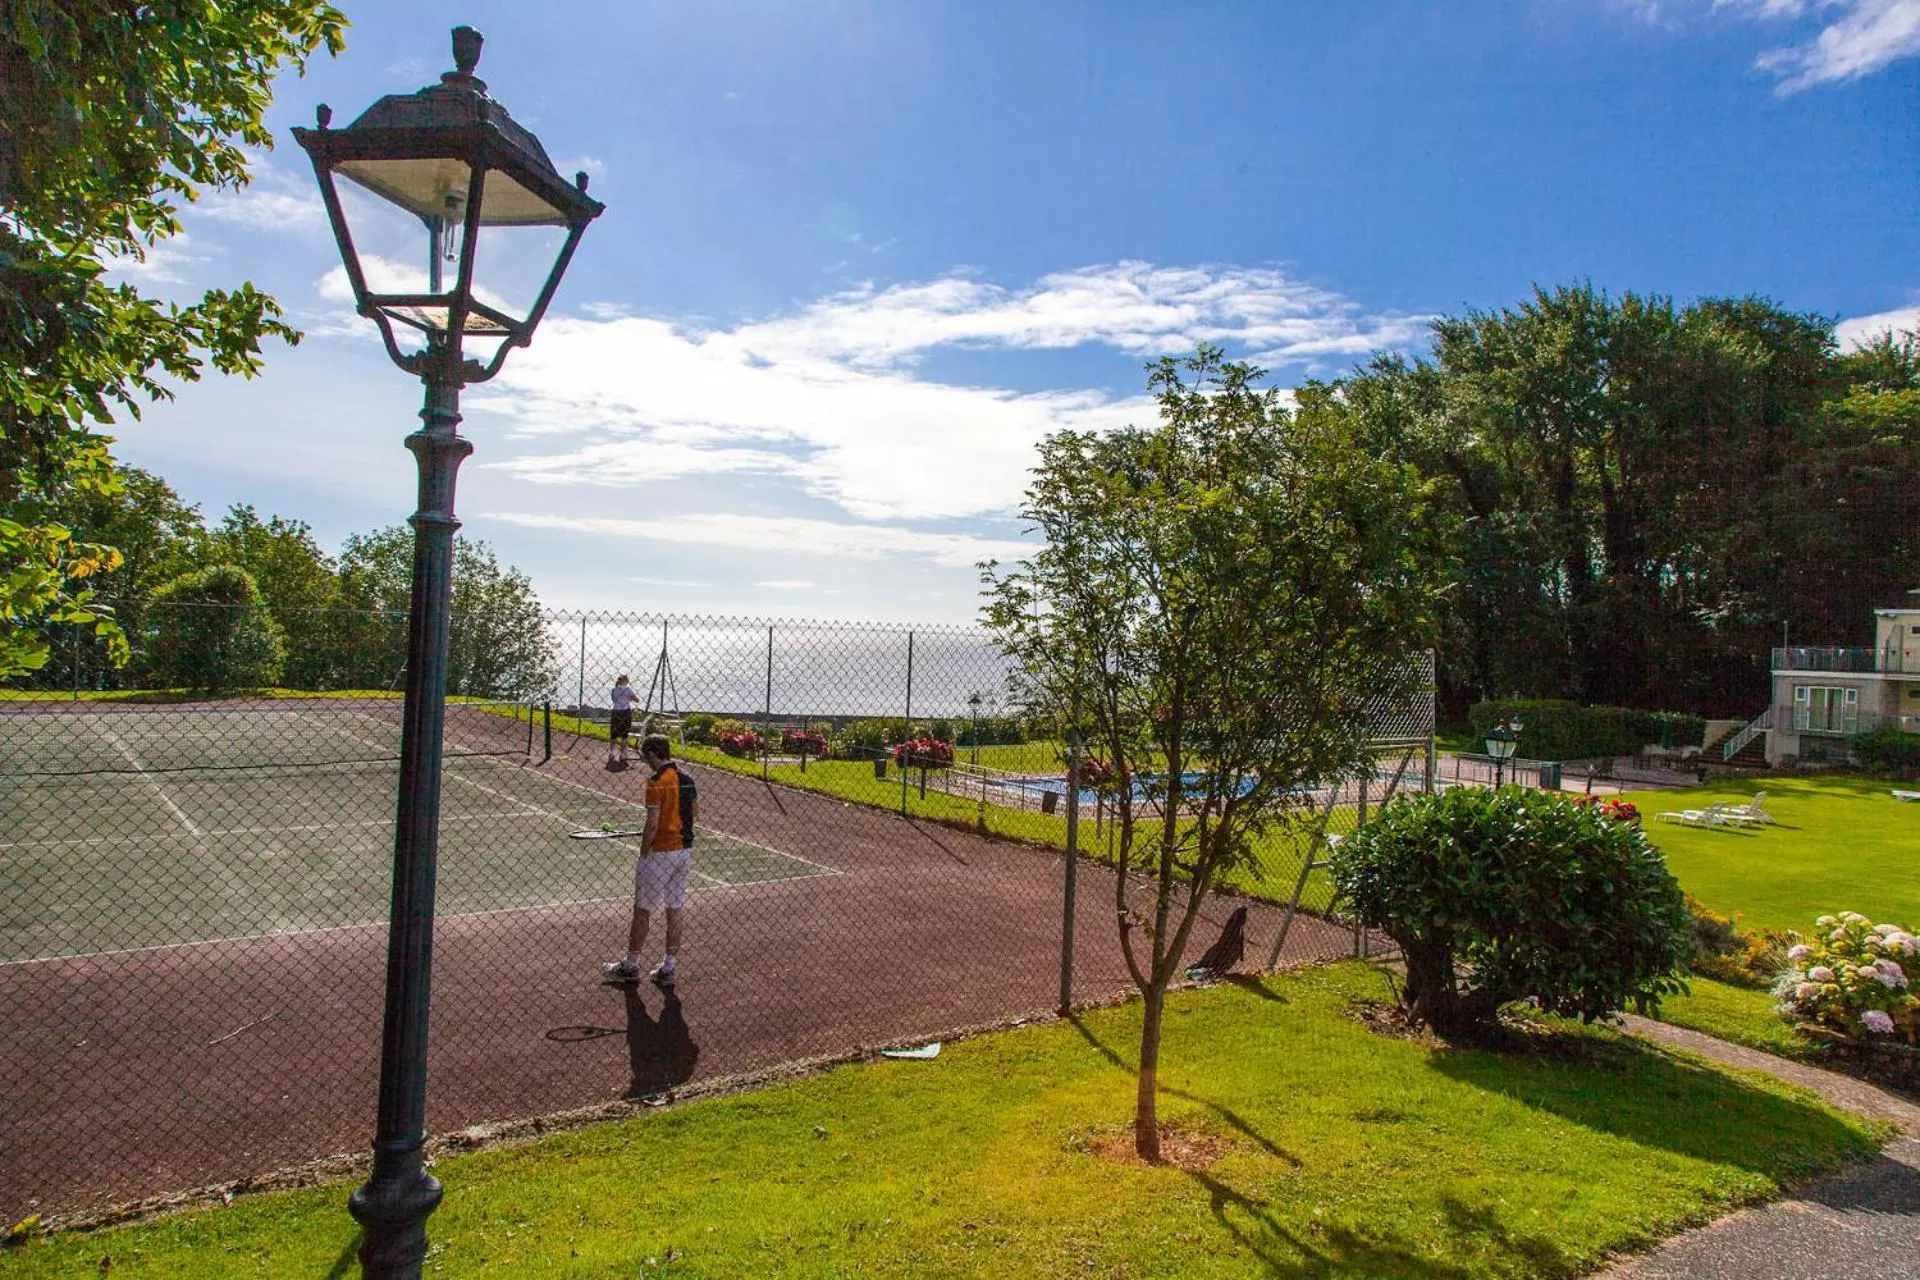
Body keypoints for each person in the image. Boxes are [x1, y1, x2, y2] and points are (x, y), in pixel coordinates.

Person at [602, 734, 696, 989]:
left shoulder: (655, 782)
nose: (644, 760)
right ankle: (669, 967)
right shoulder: (688, 778)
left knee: (642, 910)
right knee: (674, 909)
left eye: (645, 755)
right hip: (684, 851)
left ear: (654, 754)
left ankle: (630, 965)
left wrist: (644, 852)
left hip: (659, 853)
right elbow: (693, 814)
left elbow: (652, 822)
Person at [608, 674, 637, 766]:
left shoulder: (614, 690)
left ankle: (612, 752)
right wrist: (629, 697)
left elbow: (614, 700)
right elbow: (636, 699)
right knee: (624, 734)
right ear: (626, 681)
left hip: (616, 712)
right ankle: (622, 754)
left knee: (613, 733)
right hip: (625, 712)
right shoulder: (628, 689)